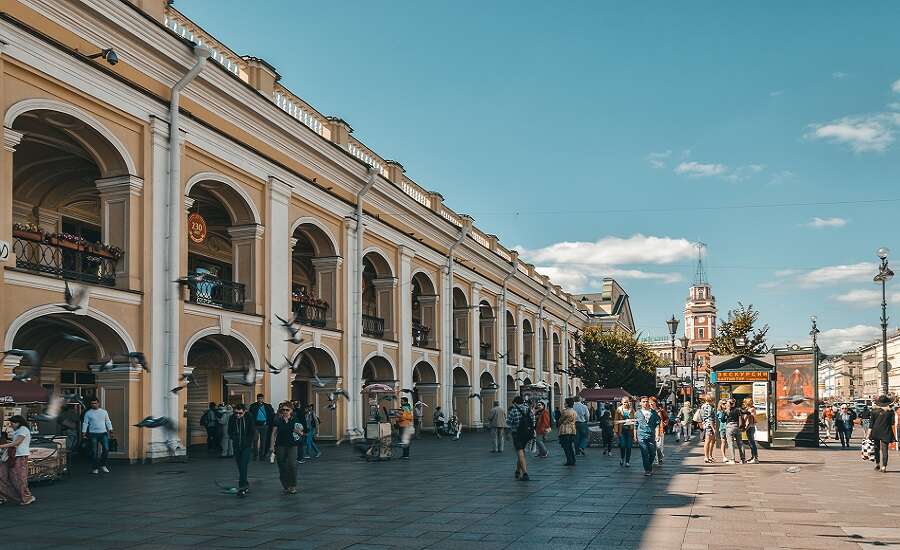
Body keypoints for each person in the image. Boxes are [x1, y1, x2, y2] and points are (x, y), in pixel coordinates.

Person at [0, 415, 35, 505]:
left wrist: (2, 446)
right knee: (13, 477)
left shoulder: (23, 429)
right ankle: (21, 497)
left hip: (19, 456)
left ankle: (25, 497)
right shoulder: (20, 430)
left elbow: (17, 443)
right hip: (15, 456)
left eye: (12, 423)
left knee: (18, 478)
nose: (11, 425)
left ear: (18, 423)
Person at [271, 402, 303, 494]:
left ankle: (292, 485)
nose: (285, 411)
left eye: (287, 410)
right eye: (283, 410)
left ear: (291, 411)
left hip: (292, 445)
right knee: (282, 466)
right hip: (280, 445)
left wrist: (296, 430)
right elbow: (274, 433)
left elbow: (301, 433)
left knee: (292, 465)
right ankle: (286, 485)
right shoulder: (278, 420)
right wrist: (271, 446)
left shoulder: (295, 420)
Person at [228, 403, 256, 496]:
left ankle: (242, 488)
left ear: (244, 411)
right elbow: (229, 430)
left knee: (243, 465)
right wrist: (233, 437)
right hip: (236, 445)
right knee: (240, 466)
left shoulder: (249, 417)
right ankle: (245, 484)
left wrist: (248, 442)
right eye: (236, 413)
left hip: (246, 446)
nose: (238, 415)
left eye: (240, 413)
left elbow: (252, 431)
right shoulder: (232, 418)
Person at [82, 397, 114, 474]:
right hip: (93, 434)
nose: (94, 405)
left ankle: (102, 465)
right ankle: (95, 468)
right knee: (94, 452)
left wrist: (111, 430)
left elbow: (108, 421)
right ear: (91, 404)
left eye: (95, 403)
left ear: (98, 403)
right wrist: (83, 432)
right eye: (92, 403)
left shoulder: (104, 412)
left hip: (103, 433)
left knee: (106, 449)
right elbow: (85, 423)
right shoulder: (88, 413)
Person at [507, 396, 535, 481]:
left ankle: (525, 473)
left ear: (515, 402)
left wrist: (507, 434)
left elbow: (508, 423)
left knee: (520, 452)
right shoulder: (528, 409)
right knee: (522, 452)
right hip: (528, 434)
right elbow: (533, 420)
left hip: (517, 434)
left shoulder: (513, 410)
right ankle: (518, 471)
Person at [634, 396, 660, 476]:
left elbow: (657, 424)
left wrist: (657, 435)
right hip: (641, 435)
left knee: (652, 453)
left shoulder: (654, 413)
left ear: (649, 402)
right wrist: (635, 436)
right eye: (643, 402)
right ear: (640, 403)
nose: (645, 403)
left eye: (646, 401)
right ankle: (647, 470)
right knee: (644, 452)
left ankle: (649, 466)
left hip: (651, 435)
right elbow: (635, 425)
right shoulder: (637, 413)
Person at [869, 395, 896, 473]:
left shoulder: (874, 411)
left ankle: (877, 464)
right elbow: (892, 423)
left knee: (876, 449)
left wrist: (868, 434)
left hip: (876, 432)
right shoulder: (890, 411)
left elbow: (871, 424)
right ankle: (884, 467)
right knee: (885, 450)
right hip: (886, 432)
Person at [248, 394, 275, 460]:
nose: (260, 399)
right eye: (259, 398)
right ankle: (255, 455)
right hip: (255, 425)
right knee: (255, 440)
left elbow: (272, 414)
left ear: (263, 398)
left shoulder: (268, 406)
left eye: (261, 398)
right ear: (257, 399)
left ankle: (262, 455)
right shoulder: (253, 406)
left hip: (264, 425)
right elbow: (250, 415)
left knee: (263, 441)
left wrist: (269, 422)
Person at [613, 396, 634, 467]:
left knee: (629, 446)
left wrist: (634, 428)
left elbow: (634, 419)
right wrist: (616, 431)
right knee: (622, 445)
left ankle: (627, 461)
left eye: (627, 402)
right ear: (621, 402)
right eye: (624, 402)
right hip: (621, 431)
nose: (626, 403)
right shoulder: (618, 410)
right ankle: (622, 458)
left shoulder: (631, 410)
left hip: (629, 430)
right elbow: (616, 421)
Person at [723, 398, 744, 464]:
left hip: (730, 427)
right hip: (737, 426)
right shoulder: (738, 410)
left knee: (731, 444)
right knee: (740, 443)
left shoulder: (727, 411)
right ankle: (742, 459)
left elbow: (723, 420)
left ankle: (732, 459)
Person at [558, 398, 578, 466]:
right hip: (572, 430)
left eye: (565, 402)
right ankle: (573, 460)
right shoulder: (574, 412)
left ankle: (569, 460)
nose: (564, 403)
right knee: (570, 446)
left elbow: (560, 420)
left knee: (566, 446)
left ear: (567, 403)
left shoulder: (565, 411)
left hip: (565, 430)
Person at [700, 394, 717, 463]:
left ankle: (709, 456)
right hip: (709, 426)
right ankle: (707, 457)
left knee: (711, 441)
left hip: (706, 424)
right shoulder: (709, 407)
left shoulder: (703, 406)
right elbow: (710, 418)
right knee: (708, 441)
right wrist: (714, 428)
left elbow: (702, 416)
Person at [741, 398, 759, 464]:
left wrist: (745, 428)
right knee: (751, 442)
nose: (743, 404)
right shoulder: (750, 409)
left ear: (746, 403)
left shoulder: (751, 410)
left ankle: (755, 458)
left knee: (752, 442)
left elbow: (751, 421)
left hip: (750, 428)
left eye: (744, 402)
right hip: (751, 427)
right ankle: (753, 457)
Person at [650, 396, 666, 465]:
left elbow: (666, 418)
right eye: (650, 403)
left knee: (659, 446)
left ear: (655, 403)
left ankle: (660, 456)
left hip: (660, 430)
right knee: (653, 446)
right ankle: (655, 459)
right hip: (651, 431)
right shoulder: (648, 411)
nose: (651, 404)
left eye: (652, 403)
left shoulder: (660, 410)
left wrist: (664, 424)